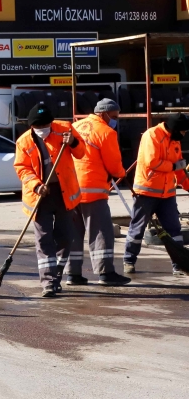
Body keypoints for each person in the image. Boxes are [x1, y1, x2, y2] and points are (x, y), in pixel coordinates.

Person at [14, 104, 84, 297]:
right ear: (31, 126)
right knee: (44, 239)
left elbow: (81, 153)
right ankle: (48, 282)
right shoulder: (24, 142)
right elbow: (22, 168)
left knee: (64, 237)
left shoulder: (65, 130)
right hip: (39, 196)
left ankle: (57, 274)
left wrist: (73, 143)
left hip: (63, 193)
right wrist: (36, 185)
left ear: (51, 123)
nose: (43, 129)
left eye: (46, 125)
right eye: (38, 126)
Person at [64, 98, 131, 286]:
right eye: (115, 116)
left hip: (71, 190)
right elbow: (113, 163)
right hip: (93, 191)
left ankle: (73, 275)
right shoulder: (106, 132)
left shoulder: (76, 126)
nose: (116, 120)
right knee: (101, 232)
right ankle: (105, 273)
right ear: (103, 114)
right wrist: (120, 173)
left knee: (74, 234)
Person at [123, 113, 189, 276]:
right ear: (174, 129)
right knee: (137, 228)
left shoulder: (175, 141)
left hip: (167, 195)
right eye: (183, 131)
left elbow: (180, 168)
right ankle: (129, 260)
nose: (184, 134)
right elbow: (152, 162)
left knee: (174, 229)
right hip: (146, 192)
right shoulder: (151, 135)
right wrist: (174, 166)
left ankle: (179, 264)